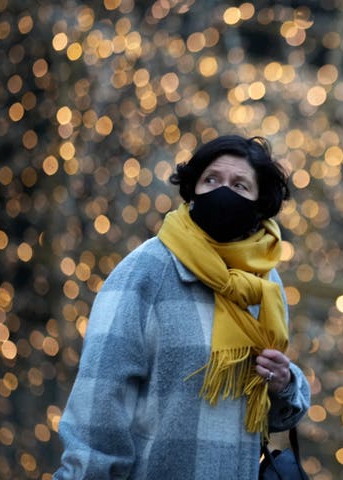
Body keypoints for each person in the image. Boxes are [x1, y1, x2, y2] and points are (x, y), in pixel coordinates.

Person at [54, 135, 311, 479]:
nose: (223, 192)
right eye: (212, 180)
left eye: (240, 185)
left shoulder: (265, 283)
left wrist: (283, 384)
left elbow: (271, 416)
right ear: (193, 190)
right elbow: (99, 405)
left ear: (259, 203)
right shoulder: (147, 270)